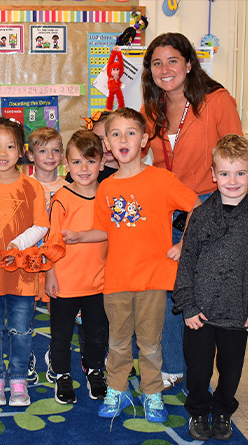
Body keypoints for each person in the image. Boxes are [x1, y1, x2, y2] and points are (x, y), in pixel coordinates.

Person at [63, 108, 199, 423]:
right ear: (107, 144)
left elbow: (197, 207)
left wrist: (183, 243)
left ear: (144, 140)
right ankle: (118, 390)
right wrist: (80, 235)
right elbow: (104, 229)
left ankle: (151, 394)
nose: (123, 139)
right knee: (118, 342)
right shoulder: (106, 187)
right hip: (117, 280)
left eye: (130, 133)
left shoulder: (162, 180)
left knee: (150, 343)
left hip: (153, 278)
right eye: (115, 134)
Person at [141, 32, 243, 390]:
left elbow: (235, 156)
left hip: (208, 209)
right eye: (156, 62)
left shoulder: (217, 101)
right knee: (172, 289)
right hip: (165, 212)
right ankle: (173, 368)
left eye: (172, 60)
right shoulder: (151, 107)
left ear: (188, 63)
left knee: (204, 292)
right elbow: (143, 157)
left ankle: (201, 373)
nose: (165, 69)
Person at [173, 134, 248, 442]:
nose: (233, 180)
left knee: (230, 373)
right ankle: (199, 411)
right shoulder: (202, 215)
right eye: (226, 173)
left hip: (237, 315)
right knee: (199, 371)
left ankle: (222, 412)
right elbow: (186, 264)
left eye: (241, 173)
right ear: (214, 175)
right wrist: (188, 307)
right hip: (199, 314)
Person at [0, 117, 49, 407]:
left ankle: (18, 380)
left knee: (21, 329)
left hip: (23, 272)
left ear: (21, 152)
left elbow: (42, 225)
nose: (2, 153)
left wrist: (19, 244)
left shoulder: (33, 187)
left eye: (9, 146)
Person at [45, 130, 108, 404]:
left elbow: (113, 232)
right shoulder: (62, 197)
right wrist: (49, 275)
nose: (84, 168)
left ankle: (94, 369)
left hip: (99, 282)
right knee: (61, 334)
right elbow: (51, 242)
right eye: (77, 162)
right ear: (66, 166)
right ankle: (62, 374)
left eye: (91, 161)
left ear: (102, 163)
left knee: (96, 333)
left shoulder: (107, 195)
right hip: (65, 282)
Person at [25, 126, 67, 384]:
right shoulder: (23, 185)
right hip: (28, 259)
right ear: (31, 155)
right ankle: (25, 353)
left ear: (62, 155)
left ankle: (56, 353)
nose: (50, 156)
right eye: (42, 151)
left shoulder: (68, 186)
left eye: (55, 150)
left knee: (58, 311)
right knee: (24, 310)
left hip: (57, 261)